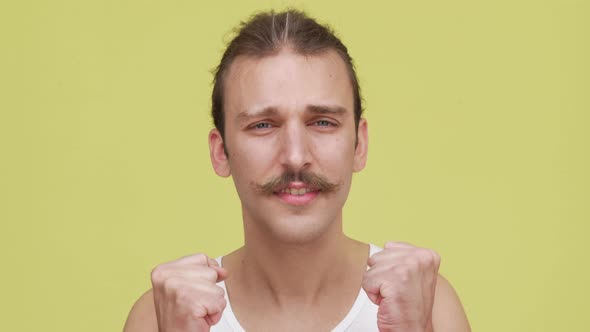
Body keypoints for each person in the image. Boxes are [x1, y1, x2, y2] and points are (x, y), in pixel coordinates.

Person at [123, 9, 471, 332]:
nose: (295, 156)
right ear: (220, 152)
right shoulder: (160, 316)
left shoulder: (430, 306)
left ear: (359, 144)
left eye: (322, 122)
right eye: (262, 125)